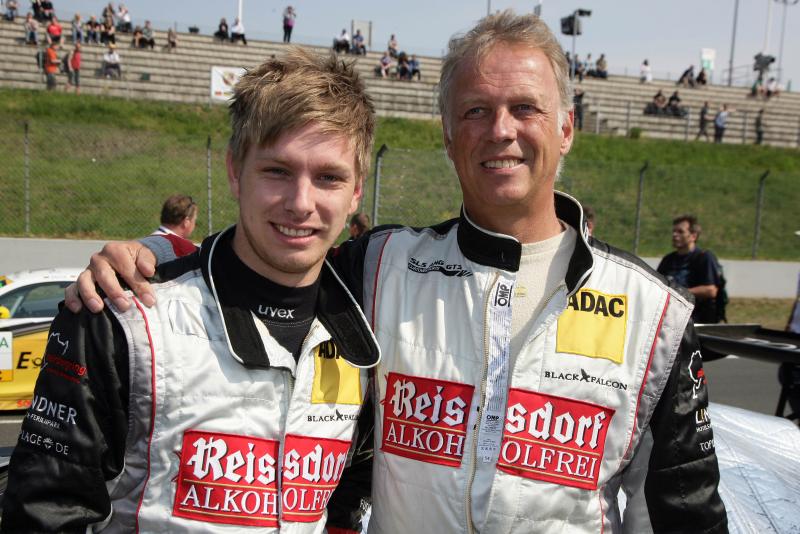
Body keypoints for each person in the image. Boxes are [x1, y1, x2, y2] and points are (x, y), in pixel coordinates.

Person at [70, 11, 727, 533]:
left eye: (525, 108)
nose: (500, 130)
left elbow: (686, 513)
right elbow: (274, 251)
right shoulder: (382, 265)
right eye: (475, 110)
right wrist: (150, 260)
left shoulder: (656, 314)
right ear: (447, 133)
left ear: (566, 129)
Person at [2, 47, 379, 533]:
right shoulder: (124, 312)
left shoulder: (369, 327)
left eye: (328, 177)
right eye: (277, 171)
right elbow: (44, 515)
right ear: (234, 171)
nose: (301, 203)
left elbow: (349, 498)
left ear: (356, 191)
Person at [657, 215, 721, 324]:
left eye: (680, 232)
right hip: (671, 320)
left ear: (693, 236)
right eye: (674, 231)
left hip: (696, 321)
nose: (675, 235)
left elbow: (711, 290)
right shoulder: (668, 260)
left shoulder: (704, 257)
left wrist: (679, 292)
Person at [149, 195, 199, 260]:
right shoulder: (185, 249)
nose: (194, 225)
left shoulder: (146, 242)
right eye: (194, 220)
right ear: (186, 222)